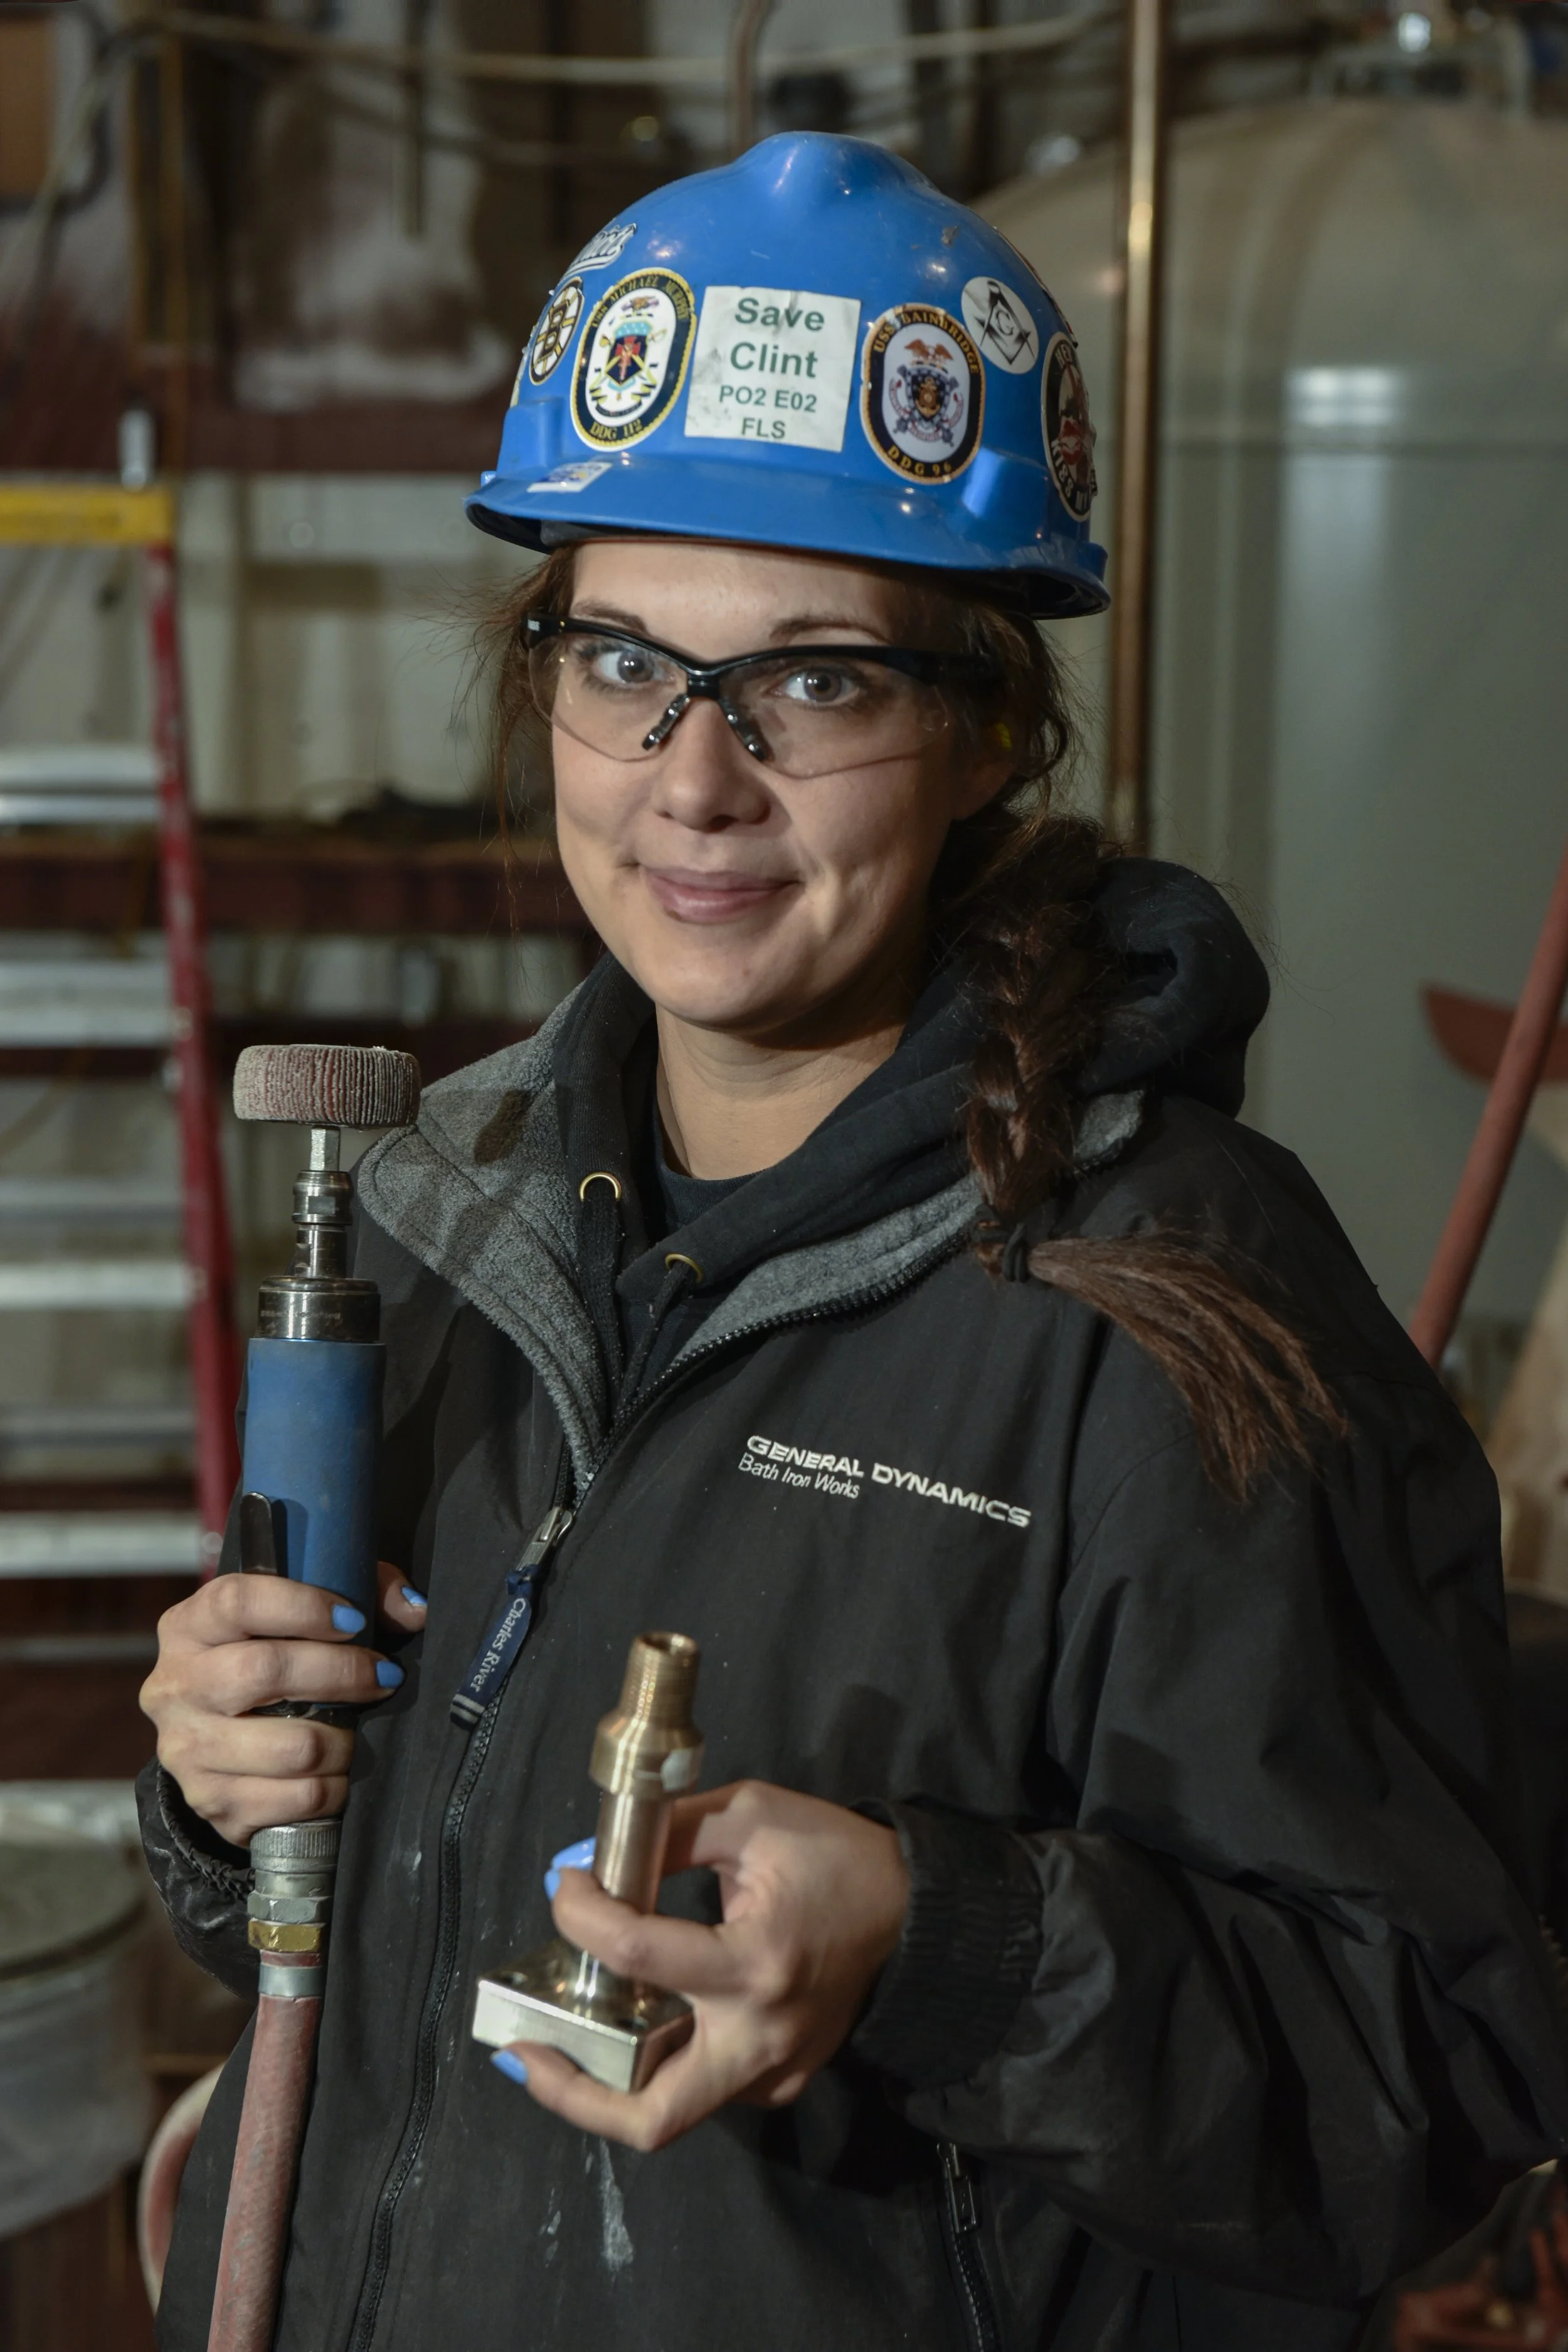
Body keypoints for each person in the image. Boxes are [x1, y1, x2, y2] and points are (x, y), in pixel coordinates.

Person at [139, 133, 1568, 2352]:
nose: (690, 780)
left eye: (811, 681)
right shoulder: (455, 1208)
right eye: (624, 661)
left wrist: (950, 1939)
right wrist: (227, 1802)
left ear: (988, 731)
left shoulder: (1168, 1309)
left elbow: (1428, 2086)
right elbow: (366, 1966)